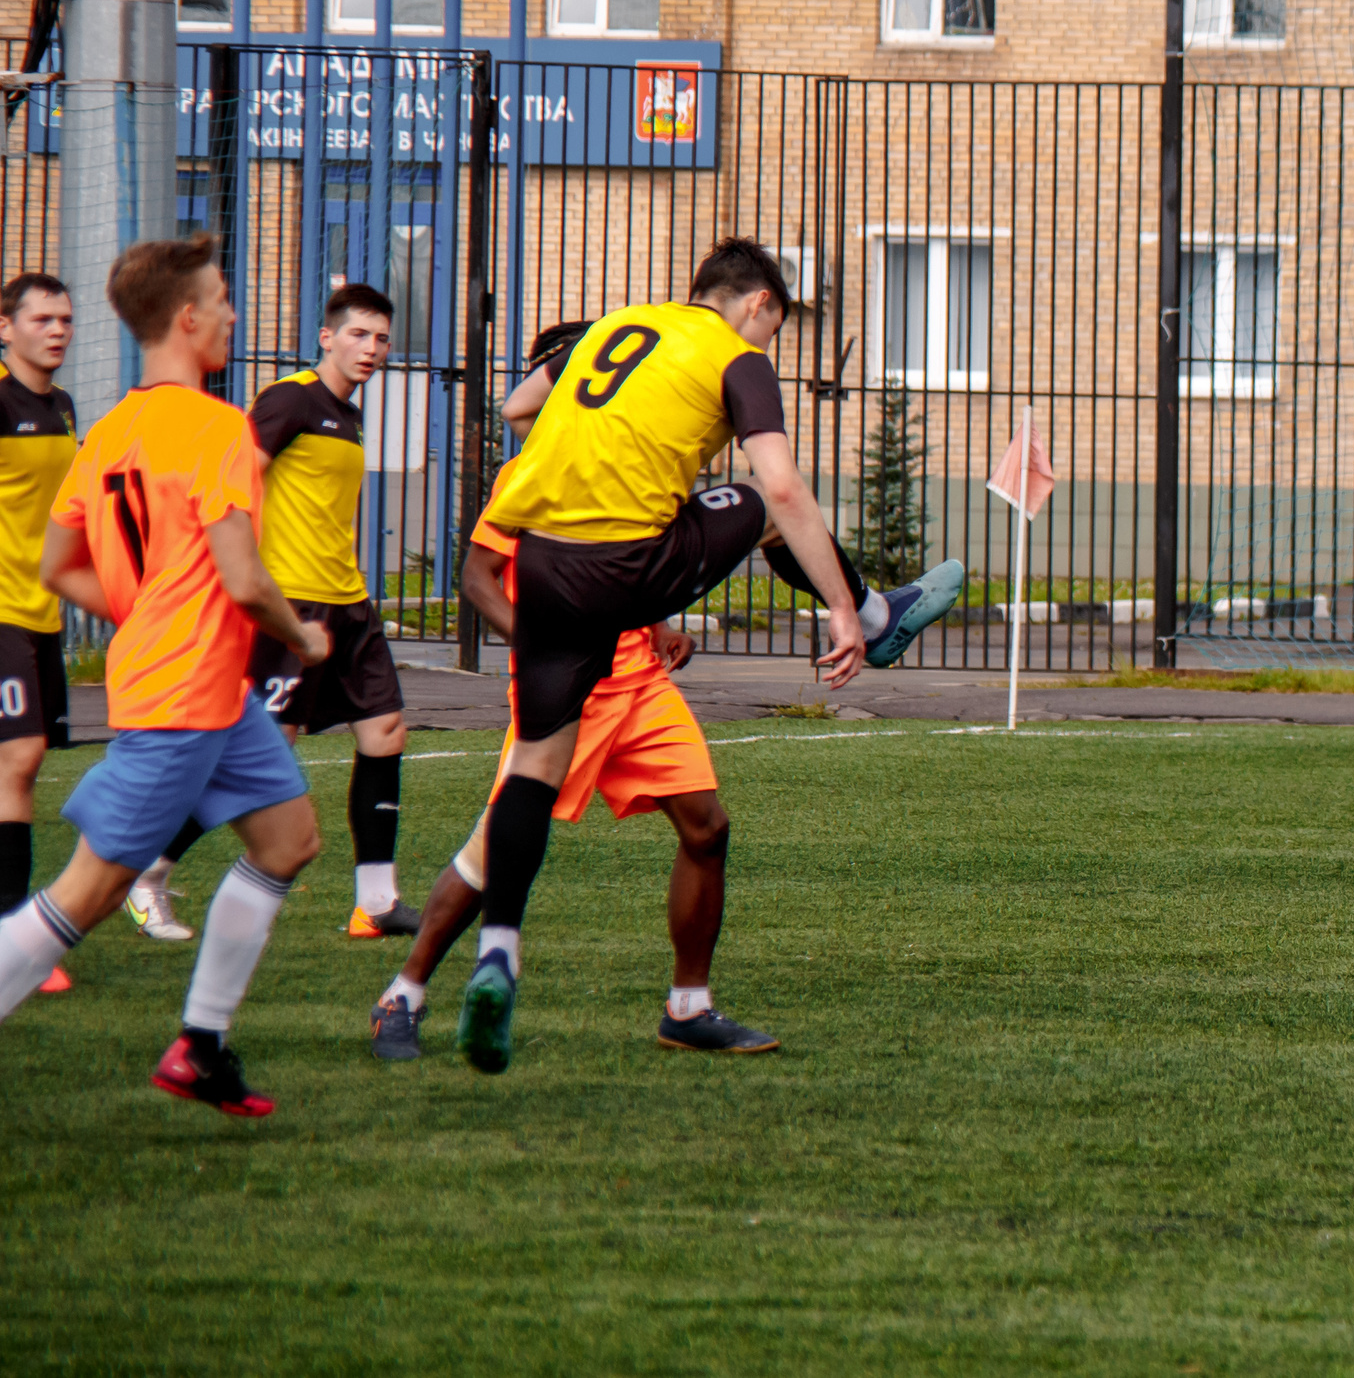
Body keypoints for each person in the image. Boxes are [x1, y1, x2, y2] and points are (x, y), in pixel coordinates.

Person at [455, 246, 961, 1073]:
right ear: (760, 304)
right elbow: (787, 491)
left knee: (535, 767)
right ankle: (874, 613)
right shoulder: (736, 357)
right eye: (775, 330)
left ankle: (498, 954)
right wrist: (835, 605)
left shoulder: (615, 327)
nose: (770, 347)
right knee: (764, 505)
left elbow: (518, 405)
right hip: (628, 566)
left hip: (544, 563)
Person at [0, 234, 331, 1117]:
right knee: (88, 893)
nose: (231, 312)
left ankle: (200, 1044)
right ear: (188, 316)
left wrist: (147, 608)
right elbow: (245, 580)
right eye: (222, 298)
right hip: (184, 696)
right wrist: (304, 638)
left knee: (289, 839)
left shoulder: (111, 430)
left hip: (209, 691)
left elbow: (57, 563)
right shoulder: (218, 426)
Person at [368, 511, 775, 1059]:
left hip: (641, 685)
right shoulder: (532, 472)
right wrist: (537, 647)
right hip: (565, 687)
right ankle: (403, 996)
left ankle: (688, 1008)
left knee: (707, 827)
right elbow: (476, 575)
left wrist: (659, 626)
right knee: (494, 855)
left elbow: (630, 573)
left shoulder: (631, 475)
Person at [124, 283, 420, 941]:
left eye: (380, 338)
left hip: (349, 604)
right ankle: (150, 869)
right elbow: (230, 479)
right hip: (291, 606)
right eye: (358, 335)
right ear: (326, 337)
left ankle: (376, 901)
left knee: (385, 734)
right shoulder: (291, 399)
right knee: (260, 756)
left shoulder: (350, 414)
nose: (371, 348)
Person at [0, 273, 78, 994]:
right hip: (0, 613)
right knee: (18, 758)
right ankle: (15, 935)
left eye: (65, 319)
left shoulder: (61, 407)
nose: (57, 329)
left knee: (25, 763)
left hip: (42, 612)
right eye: (42, 318)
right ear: (6, 326)